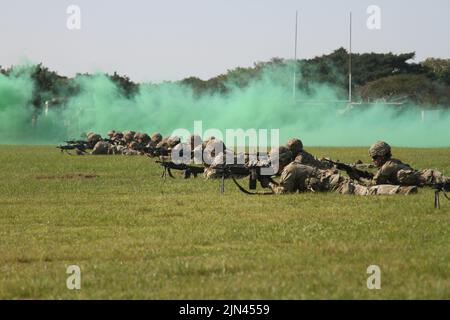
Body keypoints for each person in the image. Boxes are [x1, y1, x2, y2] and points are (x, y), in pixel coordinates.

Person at [267, 147, 417, 195]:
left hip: (337, 186)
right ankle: (401, 190)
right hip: (335, 182)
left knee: (367, 192)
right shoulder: (291, 166)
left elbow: (284, 192)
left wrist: (268, 184)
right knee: (367, 190)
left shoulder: (290, 169)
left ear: (281, 160)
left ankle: (402, 190)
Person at [367, 141, 447, 186]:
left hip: (430, 178)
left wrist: (358, 178)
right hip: (429, 175)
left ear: (382, 156)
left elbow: (374, 184)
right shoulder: (393, 161)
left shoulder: (387, 167)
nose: (372, 160)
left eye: (374, 157)